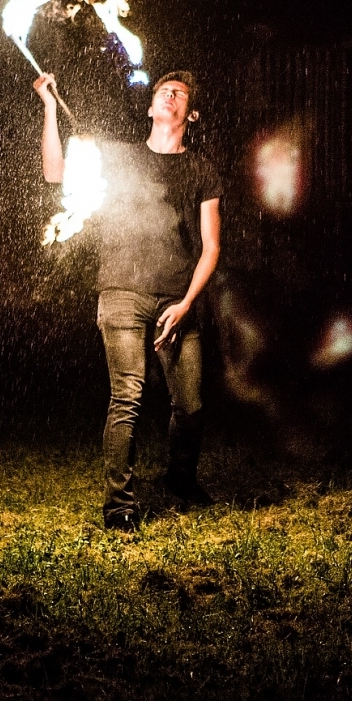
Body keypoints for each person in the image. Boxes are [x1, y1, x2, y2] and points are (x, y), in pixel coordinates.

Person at [35, 70, 222, 530]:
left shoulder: (202, 169)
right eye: (163, 91)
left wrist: (184, 305)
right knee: (127, 398)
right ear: (150, 106)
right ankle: (119, 505)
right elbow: (55, 173)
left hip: (178, 296)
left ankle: (181, 479)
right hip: (121, 291)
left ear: (191, 113)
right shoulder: (119, 158)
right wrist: (49, 108)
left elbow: (211, 247)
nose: (170, 95)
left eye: (180, 94)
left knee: (191, 405)